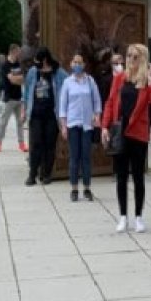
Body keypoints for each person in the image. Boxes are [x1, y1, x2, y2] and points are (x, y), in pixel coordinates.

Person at [102, 43, 151, 233]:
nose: (130, 60)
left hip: (138, 134)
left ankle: (139, 217)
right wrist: (104, 126)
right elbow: (110, 102)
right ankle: (122, 217)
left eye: (135, 57)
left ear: (142, 59)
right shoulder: (119, 78)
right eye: (128, 56)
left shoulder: (146, 82)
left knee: (138, 178)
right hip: (120, 132)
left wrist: (149, 79)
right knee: (120, 177)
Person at [58, 54, 102, 202]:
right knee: (74, 157)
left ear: (83, 64)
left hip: (87, 125)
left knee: (86, 157)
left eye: (80, 62)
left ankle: (87, 187)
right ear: (71, 64)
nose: (77, 64)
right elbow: (63, 105)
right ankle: (74, 188)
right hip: (72, 124)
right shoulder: (67, 82)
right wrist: (64, 125)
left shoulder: (90, 81)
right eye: (75, 62)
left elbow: (97, 101)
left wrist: (97, 116)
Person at [23, 47, 68, 186]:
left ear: (45, 60)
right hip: (36, 113)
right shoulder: (33, 72)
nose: (36, 63)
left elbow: (68, 84)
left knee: (49, 144)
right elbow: (27, 90)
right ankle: (32, 174)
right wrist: (23, 109)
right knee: (36, 143)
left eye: (38, 60)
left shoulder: (58, 73)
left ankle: (46, 173)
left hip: (51, 114)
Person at [0, 43, 27, 153]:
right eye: (18, 52)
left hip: (18, 97)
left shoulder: (19, 64)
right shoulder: (5, 65)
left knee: (20, 122)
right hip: (9, 98)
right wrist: (17, 79)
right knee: (3, 122)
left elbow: (23, 79)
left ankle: (21, 144)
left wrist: (17, 79)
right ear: (13, 51)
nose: (19, 54)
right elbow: (11, 79)